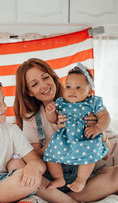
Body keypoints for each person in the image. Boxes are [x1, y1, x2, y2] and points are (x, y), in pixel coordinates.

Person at [13, 58, 118, 203]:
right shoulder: (31, 118)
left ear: (53, 77)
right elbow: (34, 160)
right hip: (52, 179)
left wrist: (96, 129)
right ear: (29, 92)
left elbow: (106, 154)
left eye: (45, 77)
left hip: (83, 179)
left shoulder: (85, 105)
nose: (43, 86)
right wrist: (57, 138)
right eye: (35, 84)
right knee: (16, 165)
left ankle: (58, 201)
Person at [43, 64, 110, 193]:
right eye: (68, 87)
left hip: (85, 137)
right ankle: (59, 178)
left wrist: (98, 128)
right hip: (64, 139)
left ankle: (81, 179)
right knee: (50, 155)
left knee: (88, 154)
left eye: (78, 87)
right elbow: (53, 120)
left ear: (89, 91)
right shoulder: (61, 102)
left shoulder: (93, 102)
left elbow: (105, 116)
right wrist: (50, 112)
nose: (71, 91)